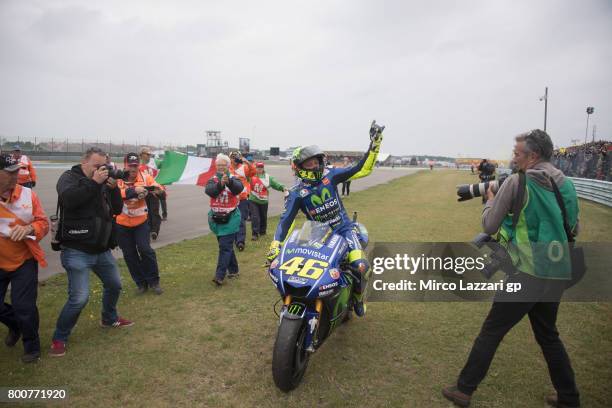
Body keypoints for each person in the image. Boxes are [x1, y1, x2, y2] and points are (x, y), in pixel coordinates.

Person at [443, 130, 581, 408]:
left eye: (517, 154)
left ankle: (463, 389)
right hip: (556, 271)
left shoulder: (518, 182)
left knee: (491, 331)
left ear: (533, 155)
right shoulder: (565, 183)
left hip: (526, 272)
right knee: (548, 335)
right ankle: (569, 398)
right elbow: (575, 227)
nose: (513, 158)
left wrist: (491, 199)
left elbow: (489, 226)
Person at [266, 123, 384, 316]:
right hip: (315, 233)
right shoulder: (296, 193)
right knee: (296, 269)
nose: (314, 166)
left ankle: (357, 298)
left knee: (361, 266)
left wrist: (375, 144)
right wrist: (276, 244)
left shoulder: (331, 175)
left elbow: (361, 168)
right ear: (298, 167)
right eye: (308, 163)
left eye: (316, 161)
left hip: (344, 229)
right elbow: (285, 220)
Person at [51, 147, 134, 358]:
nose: (101, 170)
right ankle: (60, 337)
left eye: (104, 166)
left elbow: (116, 209)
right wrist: (94, 182)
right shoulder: (69, 178)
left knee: (115, 284)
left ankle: (109, 318)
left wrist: (113, 188)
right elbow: (69, 200)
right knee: (79, 298)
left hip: (101, 249)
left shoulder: (103, 180)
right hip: (76, 249)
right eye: (97, 166)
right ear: (84, 162)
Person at [0, 153, 48, 363]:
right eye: (8, 172)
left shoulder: (29, 195)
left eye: (16, 171)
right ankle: (15, 325)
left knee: (24, 307)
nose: (14, 176)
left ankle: (32, 347)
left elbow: (43, 223)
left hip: (24, 260)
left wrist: (30, 227)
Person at [116, 153, 164, 295]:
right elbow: (114, 193)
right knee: (129, 254)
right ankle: (141, 283)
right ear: (125, 165)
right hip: (122, 223)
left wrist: (158, 191)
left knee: (145, 250)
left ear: (139, 165)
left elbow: (159, 189)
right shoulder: (118, 179)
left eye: (135, 165)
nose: (133, 168)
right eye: (130, 165)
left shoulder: (145, 177)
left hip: (141, 222)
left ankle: (154, 281)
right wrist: (133, 191)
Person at [205, 153, 244, 285]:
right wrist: (220, 184)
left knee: (224, 247)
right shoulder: (212, 179)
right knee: (226, 245)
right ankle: (234, 269)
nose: (221, 167)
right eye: (219, 165)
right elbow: (210, 191)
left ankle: (219, 276)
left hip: (231, 218)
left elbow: (239, 188)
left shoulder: (234, 178)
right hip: (216, 219)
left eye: (223, 165)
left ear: (228, 166)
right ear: (216, 166)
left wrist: (229, 182)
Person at [248, 162, 287, 240]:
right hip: (253, 200)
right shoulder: (251, 176)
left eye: (261, 167)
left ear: (263, 168)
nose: (259, 169)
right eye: (258, 167)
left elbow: (275, 184)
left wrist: (283, 188)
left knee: (263, 217)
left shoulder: (267, 177)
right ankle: (255, 234)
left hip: (263, 201)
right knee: (255, 217)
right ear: (255, 168)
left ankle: (262, 231)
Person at [229, 151, 255, 251]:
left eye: (236, 157)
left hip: (242, 198)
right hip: (231, 199)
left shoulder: (244, 167)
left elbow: (253, 173)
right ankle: (233, 239)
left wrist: (247, 162)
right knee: (231, 220)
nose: (235, 159)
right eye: (232, 157)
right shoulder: (227, 168)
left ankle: (240, 241)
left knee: (241, 220)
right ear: (230, 158)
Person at [139, 147, 164, 238]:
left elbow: (159, 176)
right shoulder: (137, 167)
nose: (149, 156)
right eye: (147, 154)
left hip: (154, 191)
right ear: (141, 155)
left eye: (150, 154)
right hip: (143, 192)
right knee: (146, 212)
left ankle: (154, 231)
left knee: (155, 212)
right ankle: (148, 229)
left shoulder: (153, 166)